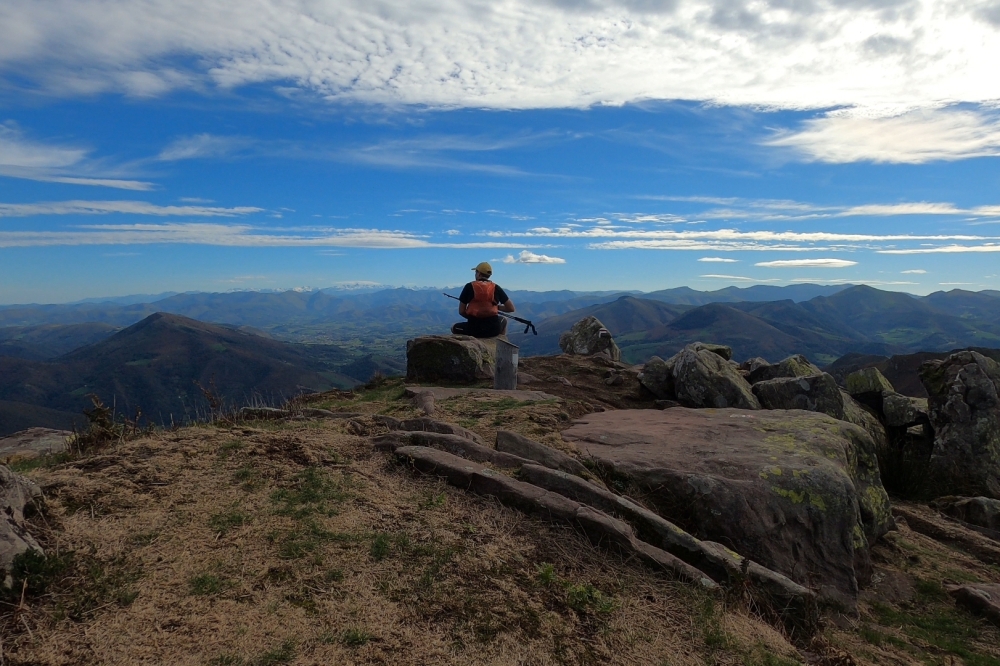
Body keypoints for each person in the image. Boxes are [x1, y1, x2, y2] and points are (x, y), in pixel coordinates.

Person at [451, 261, 516, 338]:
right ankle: (499, 342)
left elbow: (461, 311)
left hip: (473, 330)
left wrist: (474, 318)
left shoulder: (469, 287)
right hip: (493, 330)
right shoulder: (496, 288)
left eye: (475, 272)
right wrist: (494, 307)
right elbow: (511, 308)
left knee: (453, 327)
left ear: (479, 273)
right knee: (503, 320)